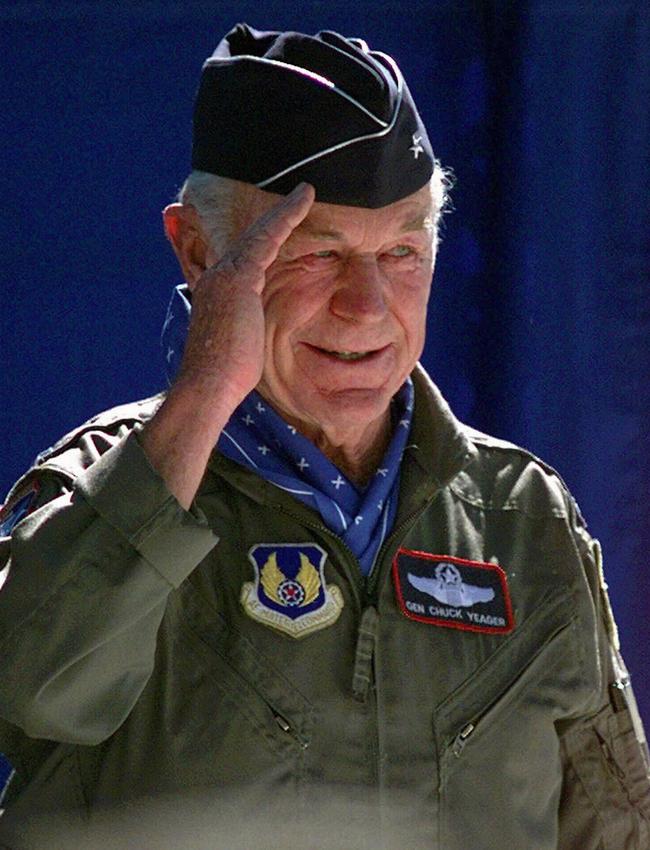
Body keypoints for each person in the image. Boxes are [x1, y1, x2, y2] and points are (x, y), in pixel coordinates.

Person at [0, 23, 648, 850]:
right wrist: (203, 396)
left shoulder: (523, 519)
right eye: (315, 254)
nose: (367, 306)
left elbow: (615, 828)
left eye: (404, 252)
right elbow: (31, 691)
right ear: (199, 251)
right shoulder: (100, 487)